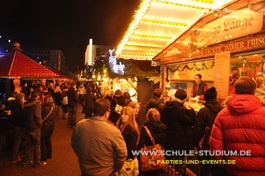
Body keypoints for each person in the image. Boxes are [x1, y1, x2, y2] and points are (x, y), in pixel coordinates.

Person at [210, 76, 265, 176]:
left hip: (232, 168)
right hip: (260, 169)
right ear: (254, 91)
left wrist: (219, 163)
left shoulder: (222, 115)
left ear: (235, 90)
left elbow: (216, 146)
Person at [71, 98, 127, 176]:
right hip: (106, 171)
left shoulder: (80, 125)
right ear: (106, 113)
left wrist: (83, 156)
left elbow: (74, 144)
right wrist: (116, 167)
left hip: (85, 170)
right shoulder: (113, 131)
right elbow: (122, 153)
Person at [161, 89, 196, 175]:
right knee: (178, 164)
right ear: (184, 99)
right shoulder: (180, 110)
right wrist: (189, 109)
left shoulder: (166, 107)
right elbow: (190, 121)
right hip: (179, 140)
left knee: (168, 163)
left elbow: (163, 120)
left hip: (168, 138)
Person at [193, 87, 223, 176]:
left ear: (206, 98)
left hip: (205, 145)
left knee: (204, 170)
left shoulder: (203, 111)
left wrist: (195, 143)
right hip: (219, 147)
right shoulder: (223, 111)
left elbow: (198, 129)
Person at [23, 90, 46, 167]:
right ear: (37, 96)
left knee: (29, 144)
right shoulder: (37, 104)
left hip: (27, 126)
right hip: (34, 126)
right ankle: (37, 161)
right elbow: (37, 116)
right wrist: (40, 125)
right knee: (37, 144)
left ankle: (25, 161)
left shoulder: (25, 103)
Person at [10, 93, 26, 163]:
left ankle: (16, 156)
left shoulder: (13, 104)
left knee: (17, 141)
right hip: (19, 125)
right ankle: (15, 157)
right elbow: (20, 116)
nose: (23, 99)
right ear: (20, 98)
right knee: (17, 141)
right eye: (23, 98)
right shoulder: (18, 106)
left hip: (15, 124)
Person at [41, 95, 56, 162]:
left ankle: (43, 157)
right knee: (48, 140)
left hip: (44, 126)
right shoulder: (53, 107)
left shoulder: (43, 108)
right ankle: (49, 154)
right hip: (51, 126)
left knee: (42, 141)